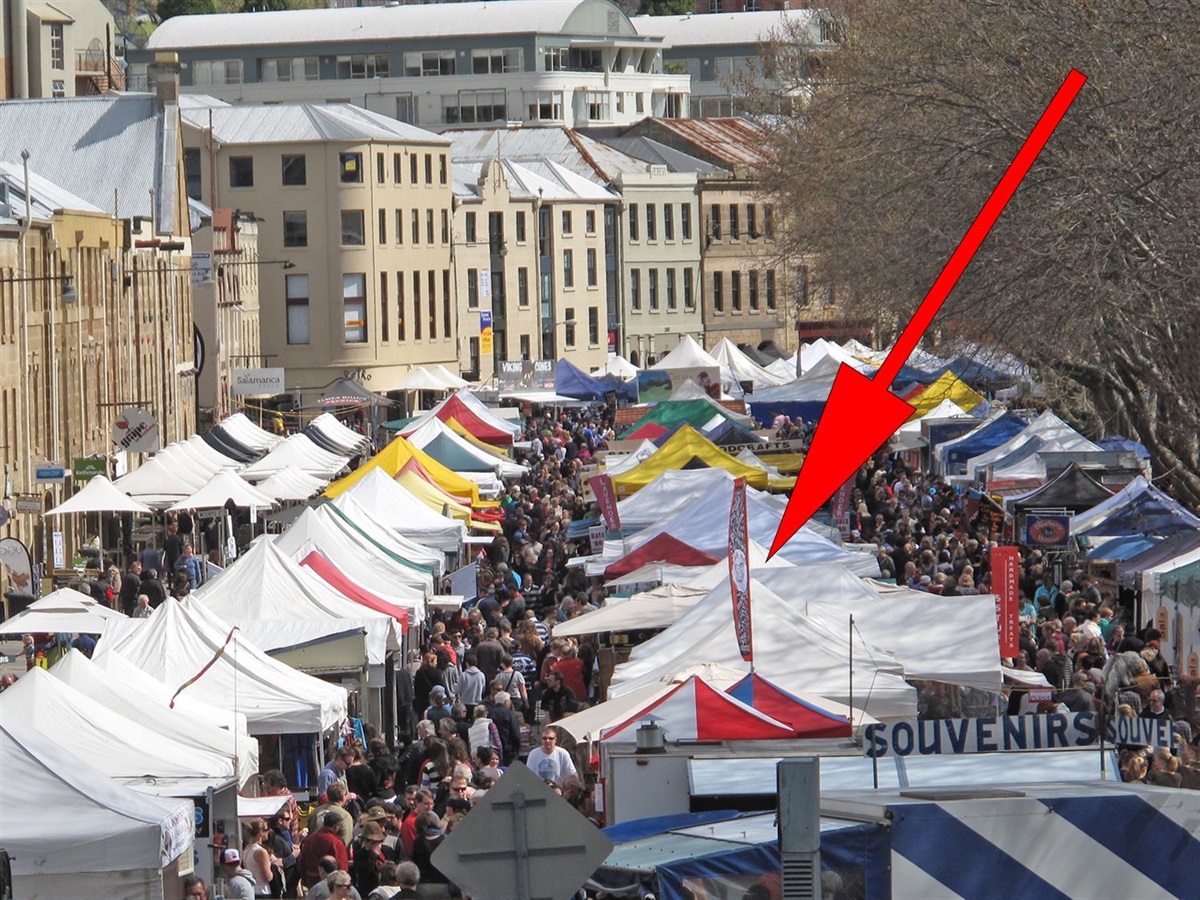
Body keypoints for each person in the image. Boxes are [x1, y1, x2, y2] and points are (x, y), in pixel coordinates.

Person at [298, 813, 350, 889]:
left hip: (311, 883)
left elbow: (302, 862)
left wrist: (305, 880)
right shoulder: (337, 843)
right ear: (336, 826)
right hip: (331, 886)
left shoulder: (309, 839)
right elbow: (342, 867)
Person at [242, 818, 276, 897]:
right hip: (262, 891)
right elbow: (267, 877)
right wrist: (274, 868)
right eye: (266, 830)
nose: (268, 832)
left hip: (251, 890)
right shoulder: (261, 852)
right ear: (261, 832)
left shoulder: (247, 849)